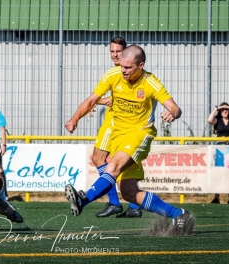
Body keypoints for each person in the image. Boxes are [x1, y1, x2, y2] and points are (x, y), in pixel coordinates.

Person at [64, 45, 194, 235]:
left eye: (128, 67)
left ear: (141, 65)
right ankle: (179, 214)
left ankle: (83, 199)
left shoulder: (151, 82)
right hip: (117, 133)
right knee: (129, 192)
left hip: (139, 134)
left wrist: (172, 113)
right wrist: (74, 118)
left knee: (112, 166)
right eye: (122, 66)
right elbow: (92, 99)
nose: (123, 70)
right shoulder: (113, 75)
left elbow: (175, 108)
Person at [91, 37, 143, 218]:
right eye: (112, 52)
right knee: (118, 162)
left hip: (116, 122)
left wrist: (100, 101)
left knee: (99, 158)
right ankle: (133, 205)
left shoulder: (125, 73)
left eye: (118, 52)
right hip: (120, 121)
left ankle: (114, 202)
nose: (114, 55)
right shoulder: (118, 72)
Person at [207, 102, 229, 204]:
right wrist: (217, 108)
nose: (225, 111)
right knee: (219, 173)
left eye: (227, 109)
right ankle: (216, 197)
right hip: (220, 149)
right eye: (223, 109)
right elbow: (209, 119)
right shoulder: (218, 120)